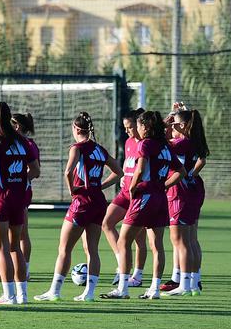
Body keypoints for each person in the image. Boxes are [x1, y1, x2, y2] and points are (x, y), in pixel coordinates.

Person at [34, 112, 121, 302]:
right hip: (98, 201)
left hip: (82, 201)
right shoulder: (99, 149)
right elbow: (119, 172)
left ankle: (54, 292)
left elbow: (68, 172)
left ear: (75, 129)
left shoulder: (77, 148)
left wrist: (73, 190)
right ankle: (88, 293)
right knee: (92, 249)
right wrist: (100, 186)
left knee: (64, 248)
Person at [105, 110, 183, 300]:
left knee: (123, 241)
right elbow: (181, 171)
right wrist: (162, 186)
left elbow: (140, 169)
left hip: (144, 197)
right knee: (157, 246)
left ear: (145, 127)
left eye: (138, 125)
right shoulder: (165, 146)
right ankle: (154, 289)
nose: (136, 129)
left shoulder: (145, 144)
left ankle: (123, 288)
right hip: (160, 199)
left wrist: (132, 188)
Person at [0, 101, 39, 305]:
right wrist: (19, 180)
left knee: (2, 248)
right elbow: (36, 171)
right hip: (18, 199)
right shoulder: (22, 141)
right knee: (15, 247)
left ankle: (9, 295)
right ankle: (22, 296)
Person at [101, 109, 150, 296]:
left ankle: (137, 275)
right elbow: (128, 165)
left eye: (130, 127)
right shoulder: (129, 142)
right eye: (125, 128)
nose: (128, 131)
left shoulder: (147, 145)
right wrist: (123, 177)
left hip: (139, 195)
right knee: (107, 223)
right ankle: (121, 259)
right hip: (124, 192)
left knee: (138, 238)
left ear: (139, 125)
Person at [163, 107, 207, 296]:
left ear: (181, 125)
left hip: (180, 192)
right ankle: (194, 283)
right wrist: (192, 173)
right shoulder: (194, 140)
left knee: (180, 241)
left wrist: (165, 123)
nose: (170, 126)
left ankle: (185, 285)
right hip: (194, 188)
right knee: (191, 240)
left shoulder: (179, 144)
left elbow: (157, 142)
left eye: (174, 123)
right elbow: (202, 160)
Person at [12, 112, 41, 280]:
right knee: (3, 232)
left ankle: (25, 269)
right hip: (10, 192)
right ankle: (2, 267)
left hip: (21, 191)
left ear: (17, 126)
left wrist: (17, 180)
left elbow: (35, 171)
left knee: (21, 232)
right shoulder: (11, 142)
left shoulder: (28, 144)